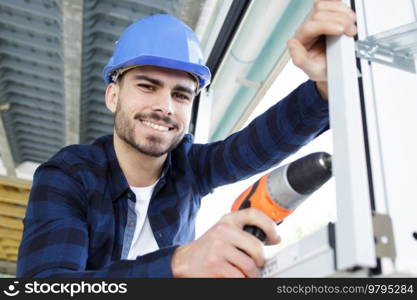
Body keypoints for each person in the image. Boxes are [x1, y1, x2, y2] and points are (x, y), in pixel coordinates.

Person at [17, 0, 356, 278]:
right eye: (147, 86)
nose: (165, 107)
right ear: (112, 96)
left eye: (181, 95)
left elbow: (255, 145)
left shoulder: (189, 167)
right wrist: (180, 263)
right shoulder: (66, 176)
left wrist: (324, 81)